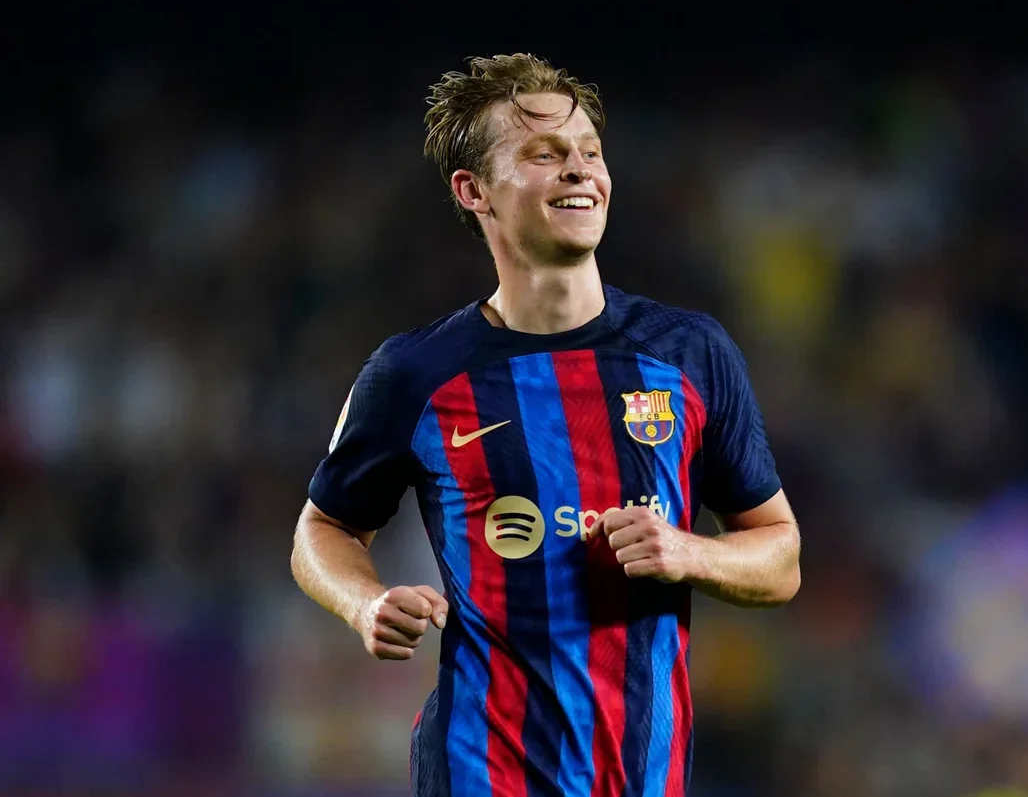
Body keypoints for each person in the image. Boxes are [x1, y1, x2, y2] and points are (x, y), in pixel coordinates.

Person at [291, 53, 801, 797]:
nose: (579, 169)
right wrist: (363, 601)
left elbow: (780, 556)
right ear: (474, 191)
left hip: (643, 775)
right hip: (481, 768)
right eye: (543, 153)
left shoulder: (690, 353)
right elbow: (322, 529)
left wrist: (689, 551)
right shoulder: (415, 373)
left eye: (589, 151)